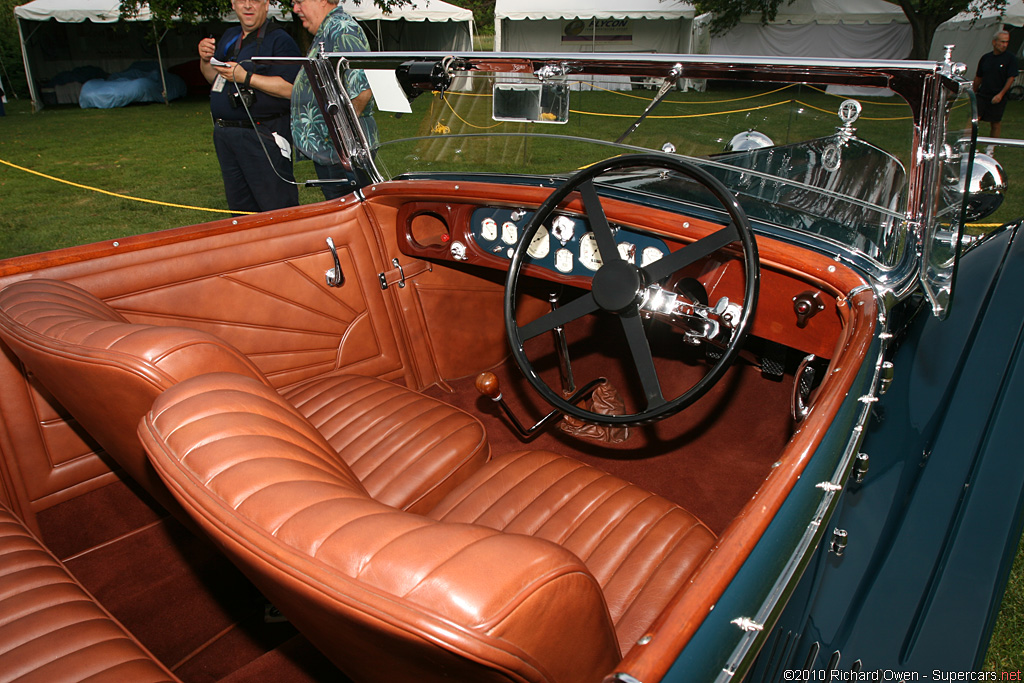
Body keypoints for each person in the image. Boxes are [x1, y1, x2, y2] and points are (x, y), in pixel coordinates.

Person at [198, 0, 302, 213]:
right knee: (241, 210)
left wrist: (246, 77)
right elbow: (212, 77)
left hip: (262, 135)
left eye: (254, 0)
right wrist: (204, 59)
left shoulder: (280, 40)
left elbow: (292, 89)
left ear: (265, 4)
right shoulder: (229, 36)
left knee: (275, 207)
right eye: (242, 1)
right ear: (233, 4)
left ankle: (282, 246)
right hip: (226, 135)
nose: (248, 6)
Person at [291, 0, 377, 200]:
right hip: (334, 153)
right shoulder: (329, 29)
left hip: (343, 155)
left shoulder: (342, 28)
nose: (295, 9)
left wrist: (341, 135)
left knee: (352, 214)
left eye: (299, 2)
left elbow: (363, 87)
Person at [974, 30, 1019, 147]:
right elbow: (979, 76)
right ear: (994, 42)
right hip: (983, 94)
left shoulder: (1010, 58)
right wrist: (973, 91)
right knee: (974, 120)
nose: (1004, 44)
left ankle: (991, 147)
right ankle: (968, 144)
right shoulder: (986, 58)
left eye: (1007, 42)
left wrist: (1001, 94)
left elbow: (1011, 78)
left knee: (995, 123)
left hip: (998, 95)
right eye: (1002, 41)